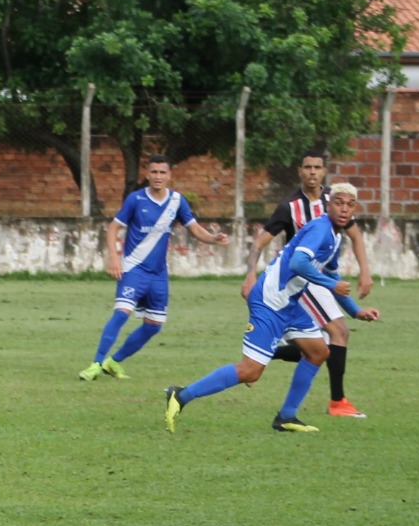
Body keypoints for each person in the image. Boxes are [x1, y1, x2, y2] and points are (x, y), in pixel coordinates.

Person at [165, 183, 380, 434]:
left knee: (318, 352)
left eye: (350, 205)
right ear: (328, 205)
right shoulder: (320, 228)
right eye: (339, 203)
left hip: (289, 303)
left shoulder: (335, 237)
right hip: (270, 300)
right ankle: (180, 395)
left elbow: (331, 273)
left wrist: (355, 311)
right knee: (250, 372)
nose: (344, 209)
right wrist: (332, 285)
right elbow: (299, 262)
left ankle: (286, 416)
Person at [241, 150, 374, 418]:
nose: (312, 172)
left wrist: (365, 272)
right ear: (300, 171)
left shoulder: (336, 200)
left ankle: (265, 354)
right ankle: (337, 402)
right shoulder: (289, 206)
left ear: (324, 171)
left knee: (319, 345)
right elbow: (259, 242)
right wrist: (250, 274)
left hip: (323, 277)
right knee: (338, 333)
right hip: (303, 279)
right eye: (307, 167)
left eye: (317, 167)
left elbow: (356, 236)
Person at [78, 154, 229, 380]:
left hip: (158, 274)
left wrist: (213, 238)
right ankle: (96, 364)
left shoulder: (177, 201)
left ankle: (113, 362)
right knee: (121, 314)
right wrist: (114, 258)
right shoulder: (135, 199)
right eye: (154, 172)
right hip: (133, 269)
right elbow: (113, 228)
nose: (158, 176)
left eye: (162, 172)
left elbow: (195, 229)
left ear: (169, 175)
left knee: (154, 325)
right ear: (147, 174)